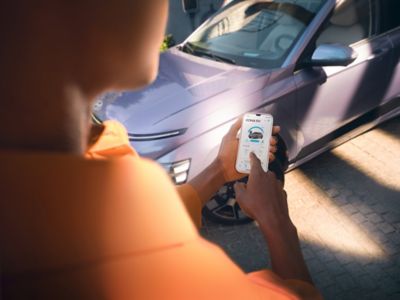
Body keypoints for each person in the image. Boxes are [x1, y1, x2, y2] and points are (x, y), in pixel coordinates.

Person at [0, 1, 321, 299]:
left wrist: (219, 171)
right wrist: (277, 221)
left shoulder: (73, 169)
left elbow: (130, 228)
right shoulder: (173, 279)